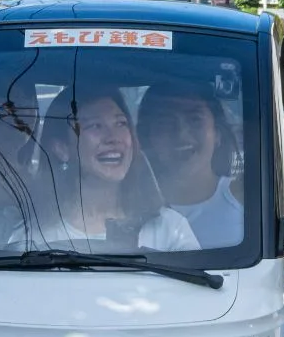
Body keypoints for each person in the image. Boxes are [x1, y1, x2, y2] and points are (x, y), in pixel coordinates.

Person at [30, 90, 199, 253]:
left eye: (121, 123)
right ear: (61, 149)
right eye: (96, 126)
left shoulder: (170, 229)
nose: (113, 137)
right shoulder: (33, 238)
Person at [137, 79, 245, 247]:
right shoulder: (129, 203)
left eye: (194, 119)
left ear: (217, 132)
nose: (181, 134)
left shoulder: (241, 195)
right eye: (165, 122)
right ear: (147, 138)